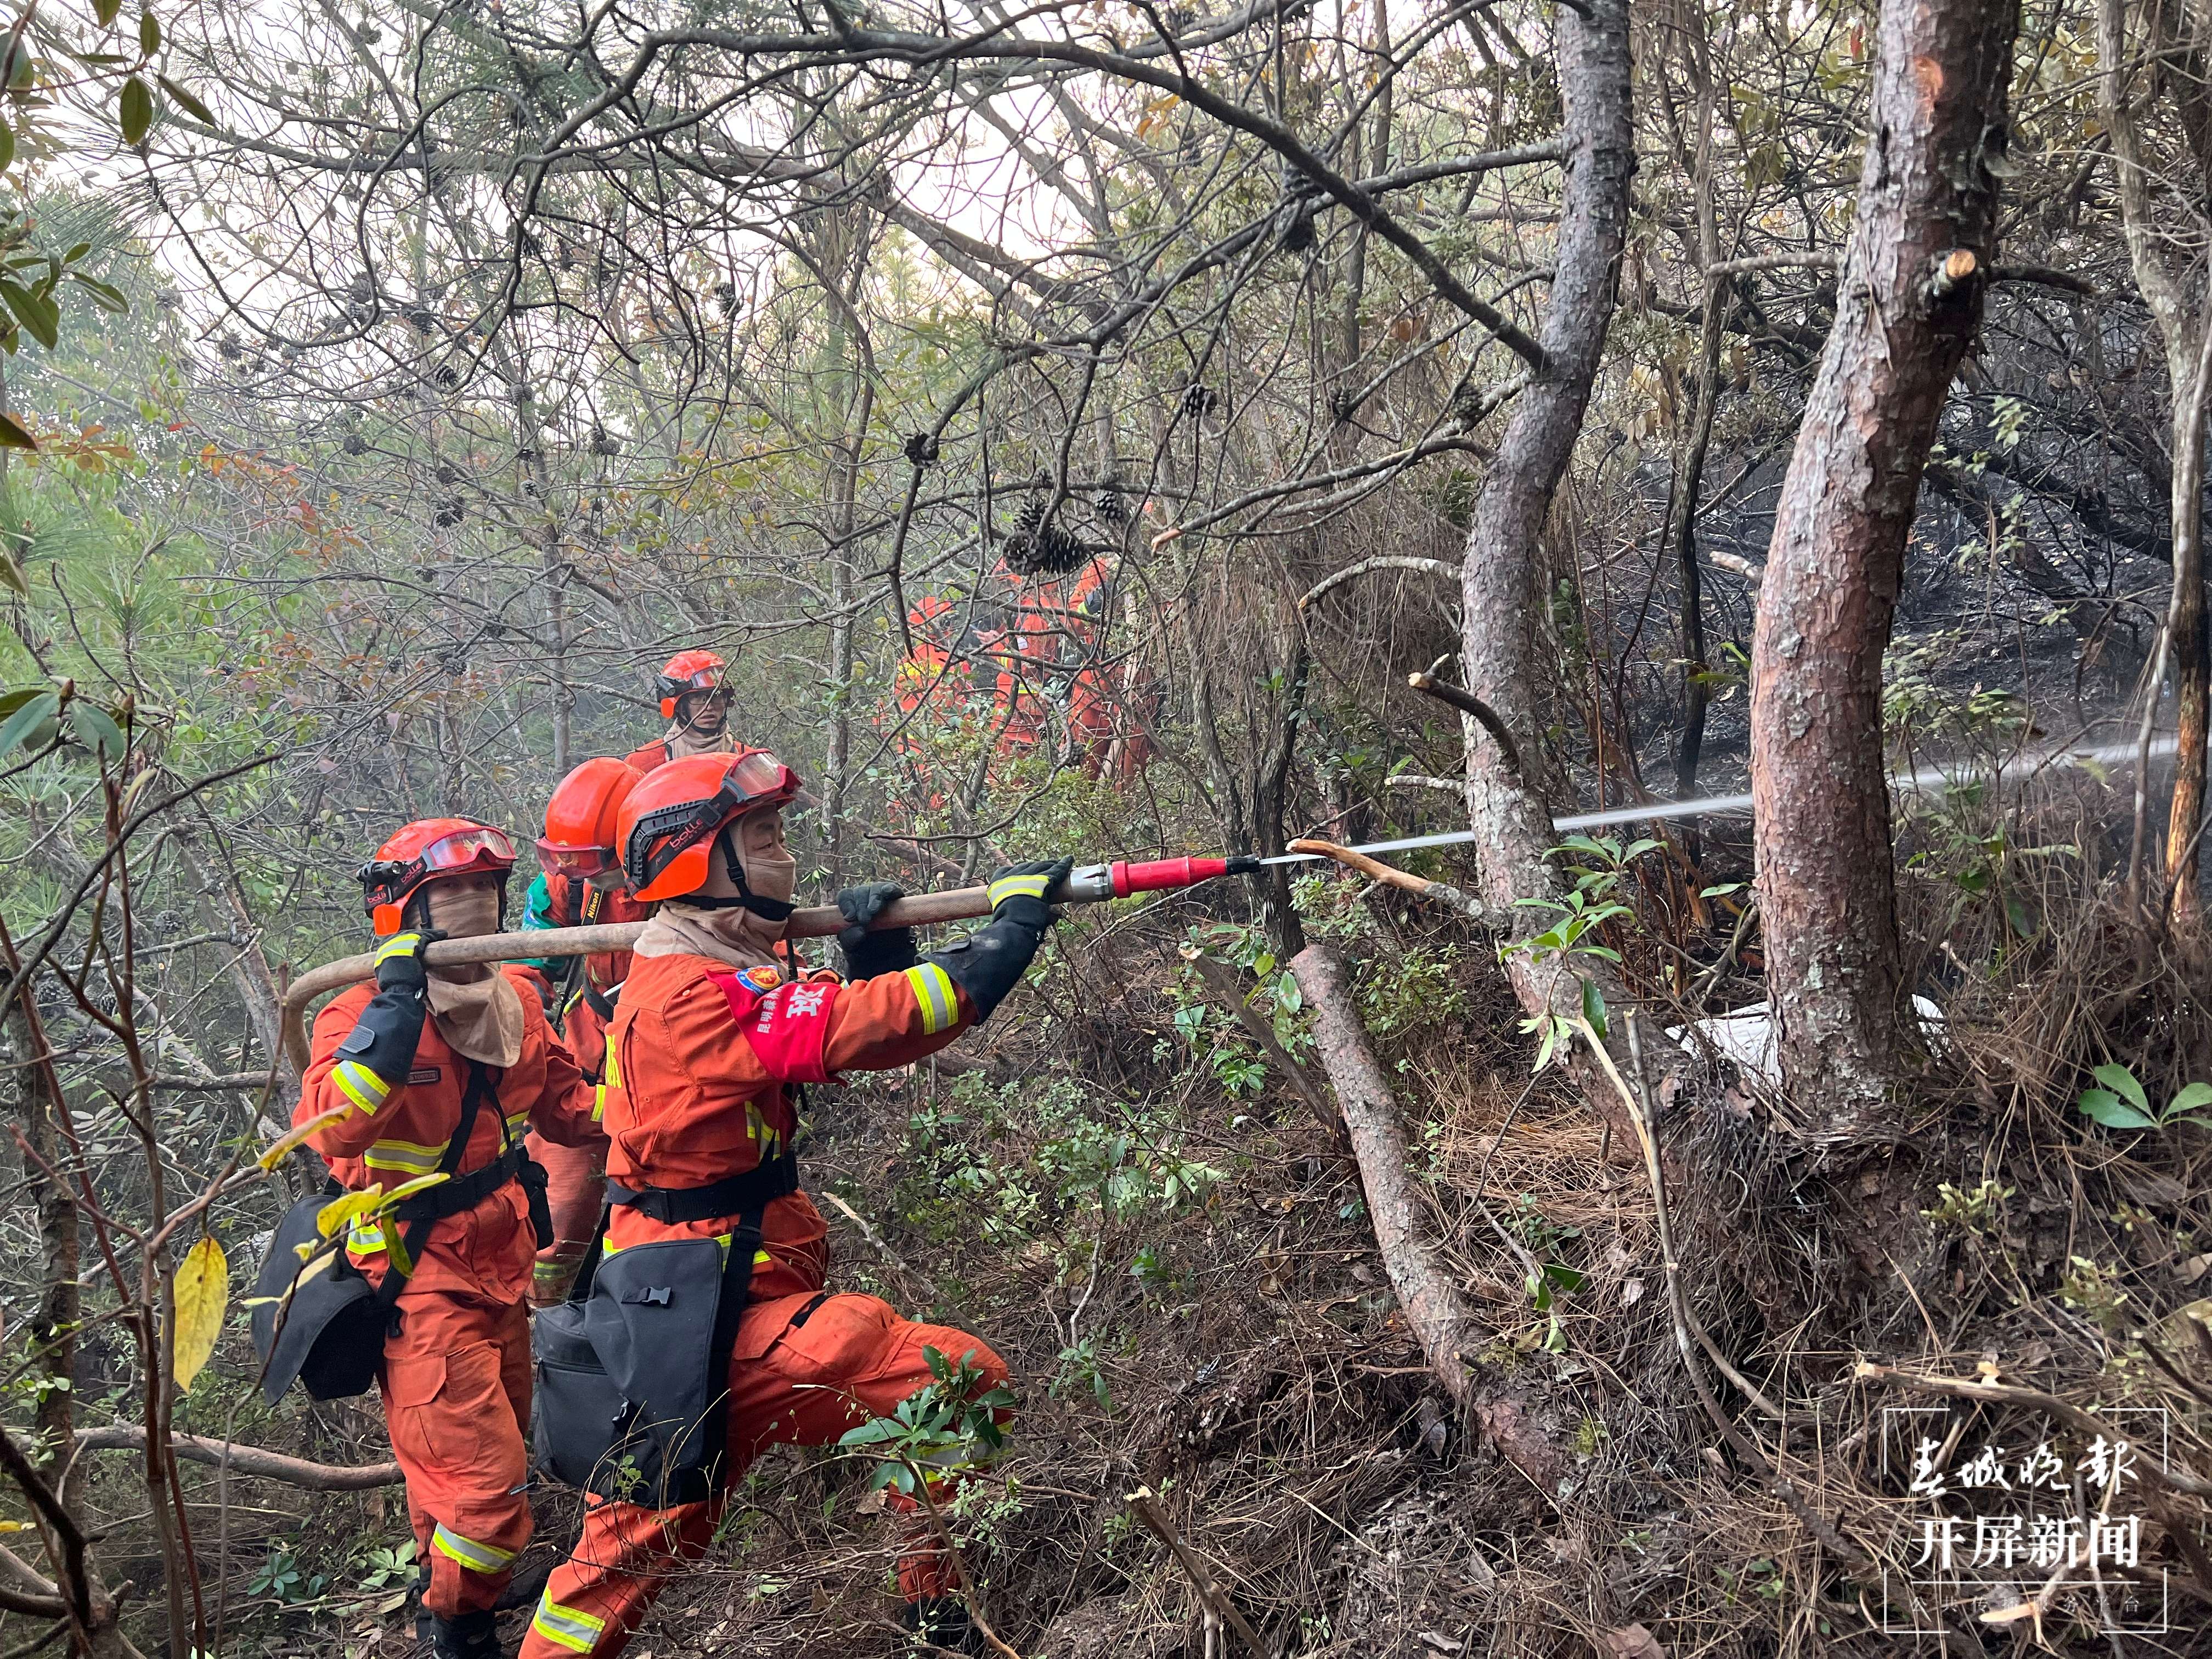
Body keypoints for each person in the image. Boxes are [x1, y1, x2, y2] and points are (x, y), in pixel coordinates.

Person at [522, 749, 1067, 1659]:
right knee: (950, 1381)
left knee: (631, 1552)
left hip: (725, 1287)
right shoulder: (688, 995)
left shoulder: (723, 958)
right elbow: (863, 1022)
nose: (786, 855)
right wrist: (1005, 937)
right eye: (765, 838)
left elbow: (847, 1029)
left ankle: (936, 1619)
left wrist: (875, 951)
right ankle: (939, 1622)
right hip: (696, 1317)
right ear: (698, 862)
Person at [297, 819, 603, 1659]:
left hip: (504, 1266)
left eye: (486, 888)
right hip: (417, 1283)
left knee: (472, 1473)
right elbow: (335, 1131)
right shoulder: (355, 1013)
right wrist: (397, 1012)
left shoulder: (519, 1000)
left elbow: (572, 1111)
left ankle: (453, 1591)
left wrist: (678, 1090)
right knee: (487, 1499)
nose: (475, 904)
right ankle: (459, 1630)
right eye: (452, 890)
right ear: (405, 910)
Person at [521, 757, 648, 1305]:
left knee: (656, 1234)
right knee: (551, 1233)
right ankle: (546, 1321)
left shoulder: (690, 872)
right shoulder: (571, 886)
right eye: (570, 863)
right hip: (588, 1075)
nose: (582, 874)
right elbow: (531, 963)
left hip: (666, 1084)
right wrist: (517, 1023)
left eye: (594, 862)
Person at [622, 650, 733, 772]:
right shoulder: (641, 764)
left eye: (716, 696)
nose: (709, 706)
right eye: (697, 697)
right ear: (679, 706)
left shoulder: (745, 760)